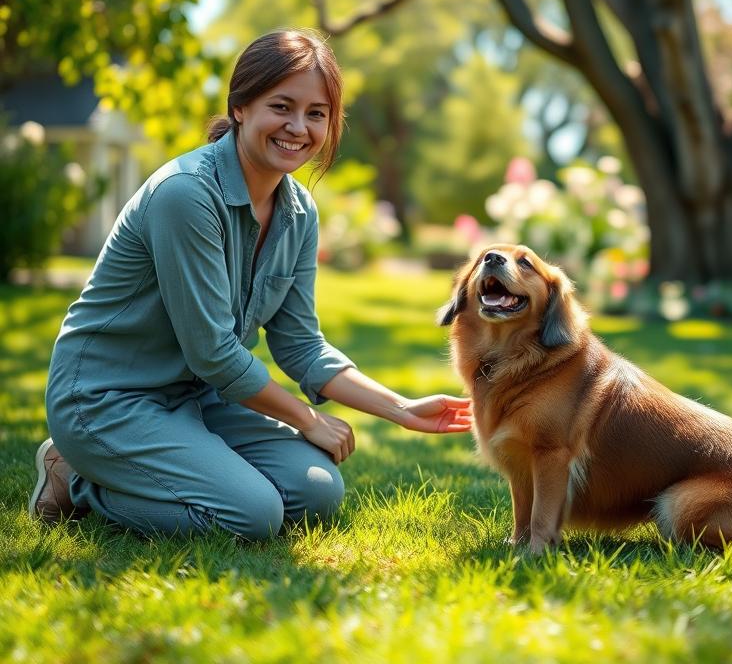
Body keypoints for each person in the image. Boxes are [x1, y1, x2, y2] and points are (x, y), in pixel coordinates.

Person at [30, 29, 472, 540]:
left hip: (198, 397)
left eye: (316, 113)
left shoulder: (300, 213)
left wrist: (400, 408)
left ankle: (155, 468)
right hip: (108, 400)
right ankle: (79, 478)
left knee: (316, 492)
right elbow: (213, 352)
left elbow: (301, 344)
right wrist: (307, 419)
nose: (298, 128)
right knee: (253, 514)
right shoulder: (186, 194)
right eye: (281, 106)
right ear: (240, 107)